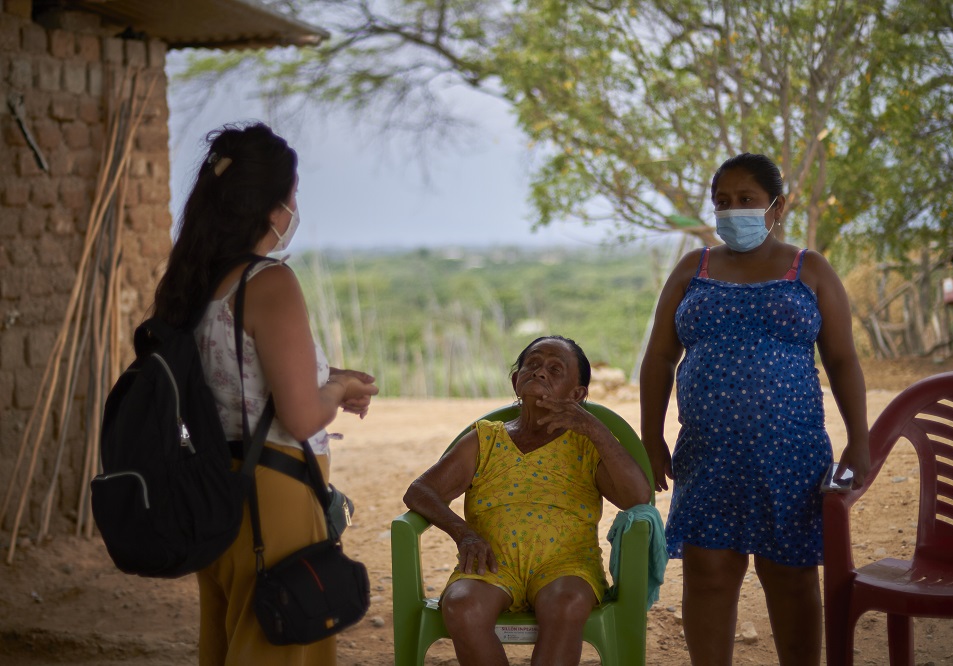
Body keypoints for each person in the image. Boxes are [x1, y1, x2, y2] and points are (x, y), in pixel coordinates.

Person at [152, 122, 379, 666]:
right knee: (281, 646)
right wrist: (341, 386)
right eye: (294, 196)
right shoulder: (269, 283)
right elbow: (301, 417)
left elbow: (240, 378)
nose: (294, 211)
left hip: (216, 493)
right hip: (274, 496)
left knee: (234, 642)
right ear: (273, 208)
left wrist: (325, 375)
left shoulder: (194, 282)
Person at [639, 153, 870, 666]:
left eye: (746, 200)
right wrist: (650, 437)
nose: (732, 211)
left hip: (790, 455)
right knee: (708, 574)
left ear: (776, 206)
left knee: (789, 577)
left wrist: (860, 438)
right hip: (708, 454)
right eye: (723, 202)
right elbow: (658, 357)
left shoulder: (809, 269)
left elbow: (842, 359)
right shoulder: (691, 270)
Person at [403, 335, 651, 666]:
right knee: (462, 606)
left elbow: (637, 497)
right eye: (531, 365)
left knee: (566, 604)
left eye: (555, 368)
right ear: (515, 380)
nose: (539, 372)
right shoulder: (485, 438)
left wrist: (594, 427)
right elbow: (420, 490)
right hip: (491, 564)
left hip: (566, 565)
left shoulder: (588, 443)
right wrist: (463, 533)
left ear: (576, 394)